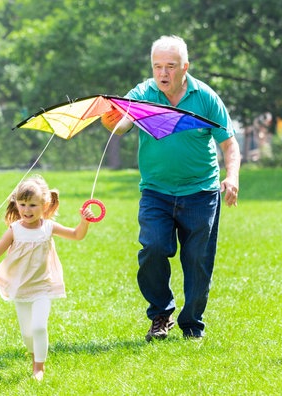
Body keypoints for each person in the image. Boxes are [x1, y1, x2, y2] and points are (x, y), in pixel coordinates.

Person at [101, 35, 241, 341]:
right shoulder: (142, 93)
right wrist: (113, 120)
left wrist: (232, 177)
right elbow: (124, 123)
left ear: (185, 67)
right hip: (156, 191)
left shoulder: (205, 97)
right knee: (152, 248)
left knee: (197, 262)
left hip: (200, 193)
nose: (163, 73)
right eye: (157, 66)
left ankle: (192, 324)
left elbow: (229, 145)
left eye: (170, 66)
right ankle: (160, 315)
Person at [0, 175, 95, 380]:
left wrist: (84, 221)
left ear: (45, 205)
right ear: (16, 204)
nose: (27, 210)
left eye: (33, 205)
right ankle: (34, 355)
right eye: (23, 205)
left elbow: (76, 235)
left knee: (38, 326)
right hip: (20, 288)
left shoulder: (49, 227)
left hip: (43, 286)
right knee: (27, 334)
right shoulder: (14, 230)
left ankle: (39, 368)